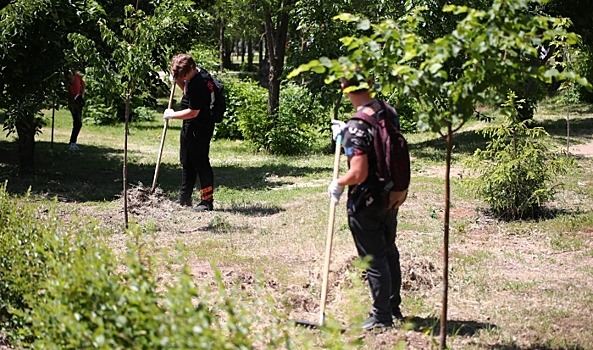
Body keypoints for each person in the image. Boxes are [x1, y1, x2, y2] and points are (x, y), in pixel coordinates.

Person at [328, 75, 403, 331]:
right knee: (389, 250)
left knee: (374, 258)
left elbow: (358, 172)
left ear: (344, 87)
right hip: (390, 194)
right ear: (369, 84)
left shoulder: (357, 125)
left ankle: (382, 316)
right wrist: (346, 135)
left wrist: (339, 182)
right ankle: (393, 307)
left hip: (366, 200)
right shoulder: (386, 111)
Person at [163, 54, 216, 212]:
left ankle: (207, 202)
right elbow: (187, 92)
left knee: (200, 162)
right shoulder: (192, 78)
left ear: (192, 68)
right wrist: (178, 79)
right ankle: (184, 198)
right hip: (190, 126)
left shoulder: (200, 82)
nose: (184, 78)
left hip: (200, 127)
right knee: (187, 161)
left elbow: (193, 112)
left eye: (185, 75)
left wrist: (171, 115)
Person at [68, 71, 85, 151]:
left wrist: (82, 95)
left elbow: (84, 84)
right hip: (73, 101)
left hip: (78, 100)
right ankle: (72, 143)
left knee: (78, 123)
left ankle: (73, 143)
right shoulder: (69, 76)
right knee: (78, 122)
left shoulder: (77, 76)